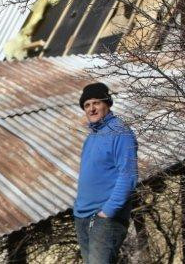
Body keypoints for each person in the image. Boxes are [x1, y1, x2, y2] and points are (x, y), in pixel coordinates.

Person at [73, 82, 138, 263]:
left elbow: (129, 175)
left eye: (96, 103)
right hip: (82, 216)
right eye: (87, 105)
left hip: (104, 219)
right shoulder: (91, 137)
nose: (91, 109)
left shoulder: (120, 132)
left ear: (107, 104)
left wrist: (108, 211)